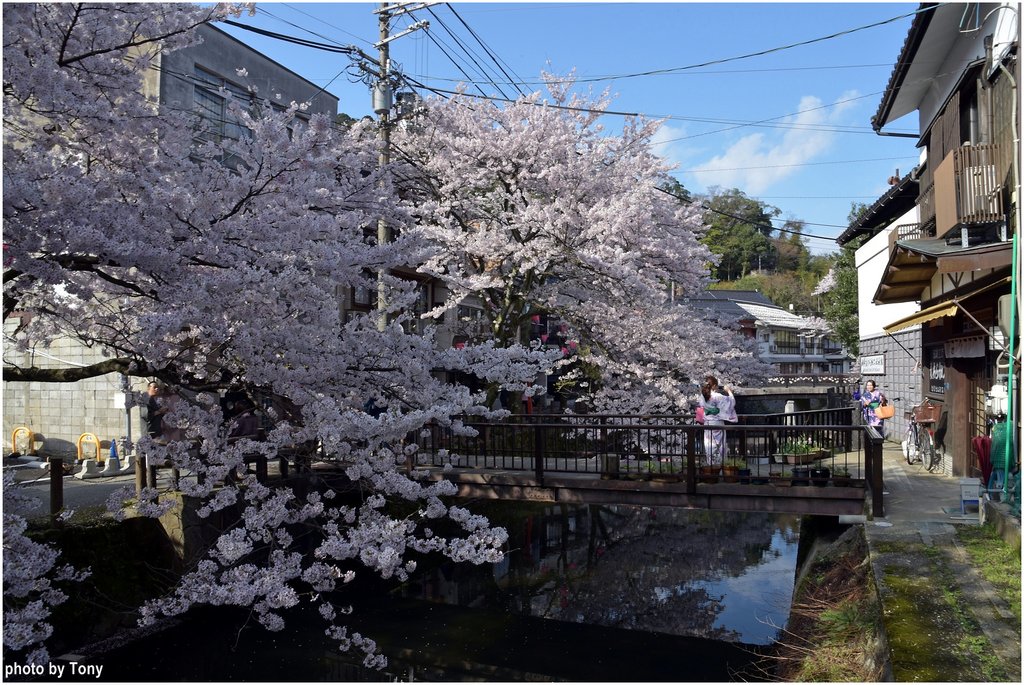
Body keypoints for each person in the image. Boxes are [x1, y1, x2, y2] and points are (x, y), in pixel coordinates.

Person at [701, 382, 727, 464]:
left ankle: (710, 467)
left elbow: (700, 408)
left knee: (709, 445)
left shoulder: (702, 396)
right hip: (717, 422)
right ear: (715, 386)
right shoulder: (718, 396)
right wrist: (729, 391)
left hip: (707, 423)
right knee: (720, 445)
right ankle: (721, 467)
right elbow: (728, 406)